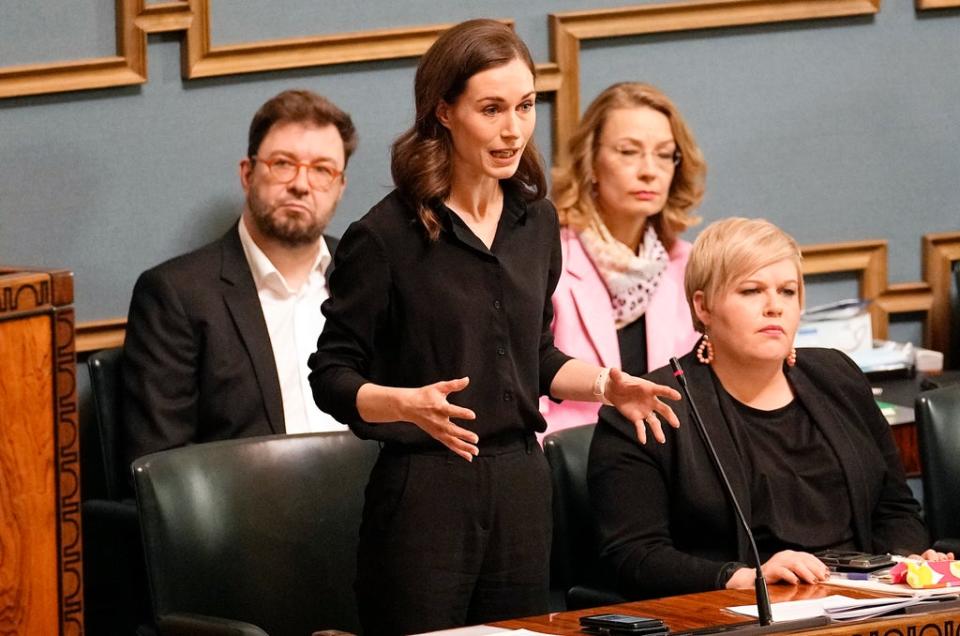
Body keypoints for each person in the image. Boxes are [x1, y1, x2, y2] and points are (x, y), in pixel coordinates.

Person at [308, 19, 681, 635]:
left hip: (520, 485)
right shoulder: (384, 237)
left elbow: (534, 356)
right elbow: (330, 375)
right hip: (425, 490)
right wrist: (403, 404)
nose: (514, 129)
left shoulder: (535, 221)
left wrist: (608, 387)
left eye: (526, 106)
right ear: (445, 111)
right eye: (491, 109)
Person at [588, 217, 952, 600]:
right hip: (738, 612)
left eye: (787, 291)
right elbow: (634, 557)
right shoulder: (649, 408)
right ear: (704, 306)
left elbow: (894, 508)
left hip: (862, 603)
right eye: (751, 291)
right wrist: (746, 576)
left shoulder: (838, 377)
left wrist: (908, 562)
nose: (774, 307)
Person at [121, 89, 356, 478]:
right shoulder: (176, 294)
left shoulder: (364, 276)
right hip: (252, 525)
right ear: (247, 174)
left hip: (371, 514)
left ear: (340, 187)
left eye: (321, 169)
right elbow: (161, 468)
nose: (301, 184)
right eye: (283, 164)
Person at [543, 83, 705, 434]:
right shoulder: (547, 261)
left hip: (668, 457)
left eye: (664, 154)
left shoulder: (690, 266)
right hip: (571, 465)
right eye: (629, 151)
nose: (650, 170)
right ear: (591, 164)